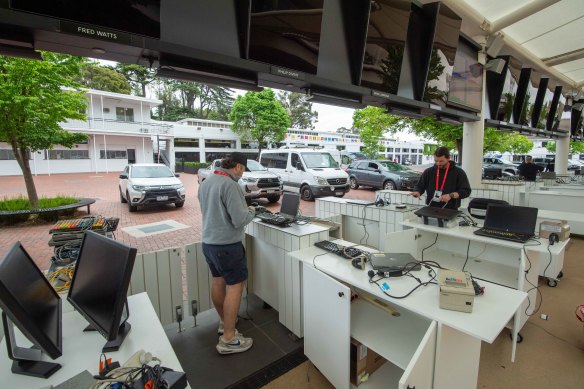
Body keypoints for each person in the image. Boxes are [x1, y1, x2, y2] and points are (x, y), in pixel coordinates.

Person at [198, 152, 256, 354]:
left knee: (218, 281)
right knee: (235, 287)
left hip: (209, 243)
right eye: (243, 170)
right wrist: (253, 211)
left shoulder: (207, 182)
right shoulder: (230, 184)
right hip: (227, 246)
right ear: (238, 167)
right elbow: (240, 219)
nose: (242, 174)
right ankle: (229, 339)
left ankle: (225, 323)